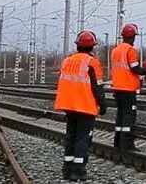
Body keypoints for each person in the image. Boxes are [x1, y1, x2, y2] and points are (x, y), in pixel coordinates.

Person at [54, 31, 106, 182]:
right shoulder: (92, 62)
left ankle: (67, 169)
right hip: (85, 106)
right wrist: (103, 105)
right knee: (83, 139)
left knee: (71, 137)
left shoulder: (67, 61)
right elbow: (97, 87)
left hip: (69, 106)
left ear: (77, 45)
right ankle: (78, 171)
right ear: (92, 46)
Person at [110, 23, 146, 150]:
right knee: (129, 115)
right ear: (133, 37)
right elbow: (135, 68)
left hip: (117, 87)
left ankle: (118, 141)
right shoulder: (130, 50)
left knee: (121, 114)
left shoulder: (115, 50)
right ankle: (126, 143)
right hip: (128, 88)